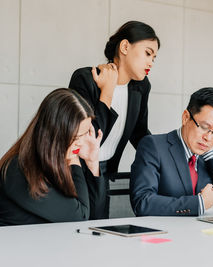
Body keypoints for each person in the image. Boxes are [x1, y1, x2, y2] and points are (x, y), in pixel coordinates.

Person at [68, 21, 160, 218]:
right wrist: (107, 91)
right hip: (75, 171)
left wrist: (164, 156)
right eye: (148, 53)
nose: (151, 62)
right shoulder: (86, 78)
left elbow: (140, 132)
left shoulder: (141, 87)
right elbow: (88, 136)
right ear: (125, 47)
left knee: (99, 228)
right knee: (77, 228)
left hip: (106, 172)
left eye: (154, 57)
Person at [0, 88, 105, 226]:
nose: (81, 142)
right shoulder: (18, 168)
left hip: (50, 245)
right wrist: (75, 161)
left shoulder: (60, 162)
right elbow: (79, 218)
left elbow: (96, 218)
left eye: (85, 134)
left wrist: (92, 163)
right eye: (76, 136)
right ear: (55, 134)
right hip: (15, 246)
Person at [130, 87, 213, 216]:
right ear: (186, 117)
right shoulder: (153, 146)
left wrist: (212, 156)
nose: (208, 137)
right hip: (164, 232)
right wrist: (199, 203)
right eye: (204, 127)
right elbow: (142, 202)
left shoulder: (207, 158)